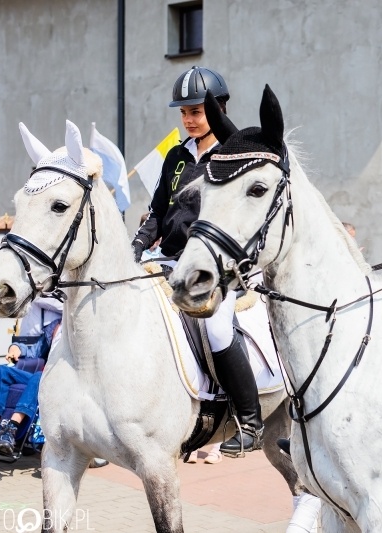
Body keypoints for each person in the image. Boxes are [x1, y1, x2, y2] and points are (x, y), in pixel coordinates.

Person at [131, 66, 263, 455]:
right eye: (184, 112)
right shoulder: (176, 155)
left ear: (219, 109)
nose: (189, 120)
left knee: (217, 329)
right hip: (171, 259)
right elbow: (157, 210)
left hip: (220, 265)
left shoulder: (236, 152)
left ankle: (250, 420)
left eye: (197, 112)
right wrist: (137, 245)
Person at [0, 297, 62, 455]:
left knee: (39, 376)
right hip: (41, 376)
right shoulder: (51, 328)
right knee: (1, 371)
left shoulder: (73, 335)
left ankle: (12, 428)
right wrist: (17, 348)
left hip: (58, 379)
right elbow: (35, 350)